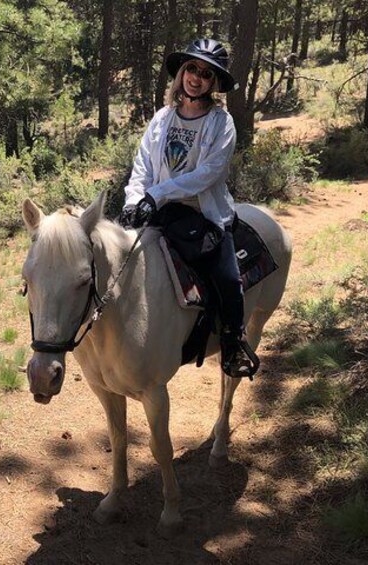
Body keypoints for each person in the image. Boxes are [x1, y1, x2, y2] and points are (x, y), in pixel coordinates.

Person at [119, 38, 258, 379]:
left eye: (206, 74)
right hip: (159, 211)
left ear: (214, 84)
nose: (197, 77)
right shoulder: (162, 118)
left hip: (205, 214)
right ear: (181, 73)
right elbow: (142, 166)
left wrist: (159, 193)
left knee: (226, 277)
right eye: (192, 69)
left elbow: (209, 174)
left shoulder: (221, 123)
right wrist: (134, 200)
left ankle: (232, 340)